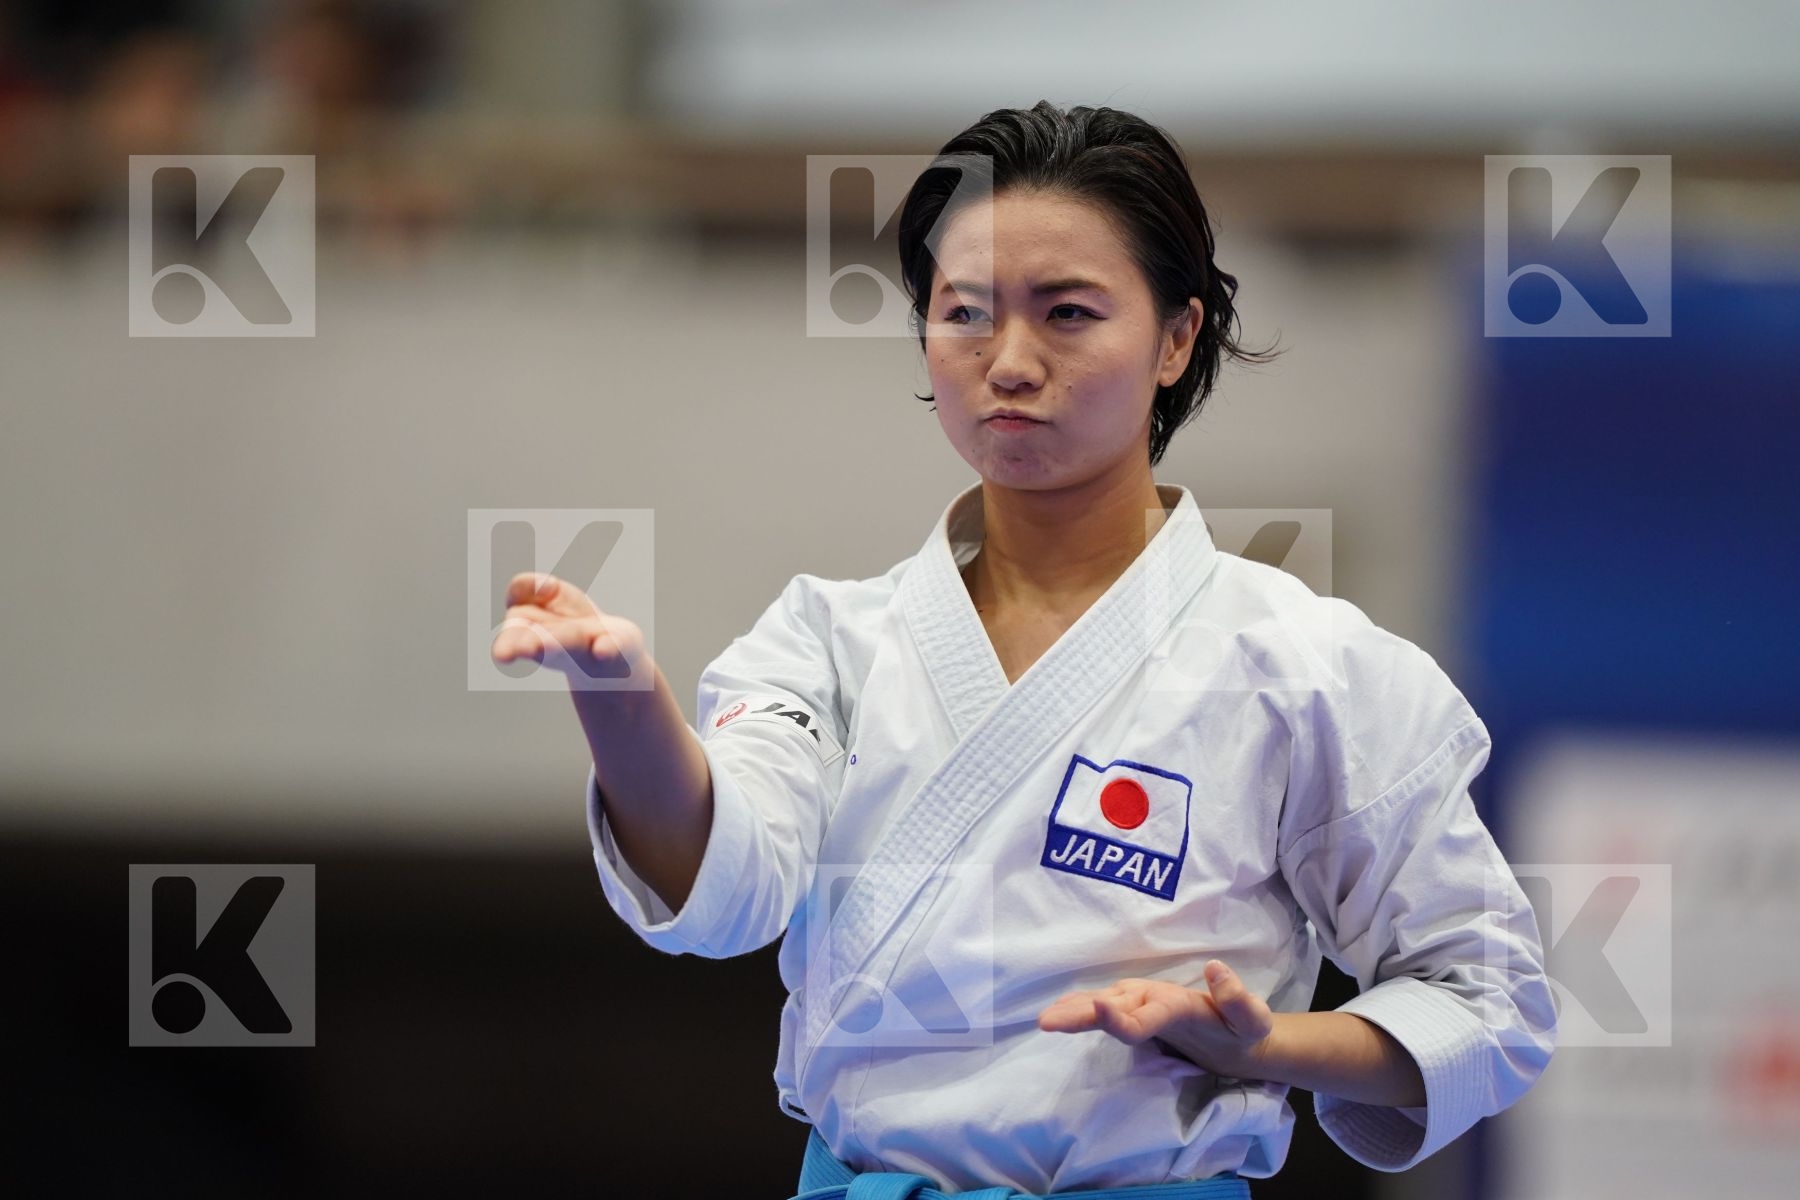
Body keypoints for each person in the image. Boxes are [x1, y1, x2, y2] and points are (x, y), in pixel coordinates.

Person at [491, 100, 1555, 1198]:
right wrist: (622, 706)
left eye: (1068, 313)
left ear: (1177, 337)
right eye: (965, 313)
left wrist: (1266, 1048)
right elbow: (724, 898)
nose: (1008, 360)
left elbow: (1491, 1004)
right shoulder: (828, 640)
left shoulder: (1308, 665)